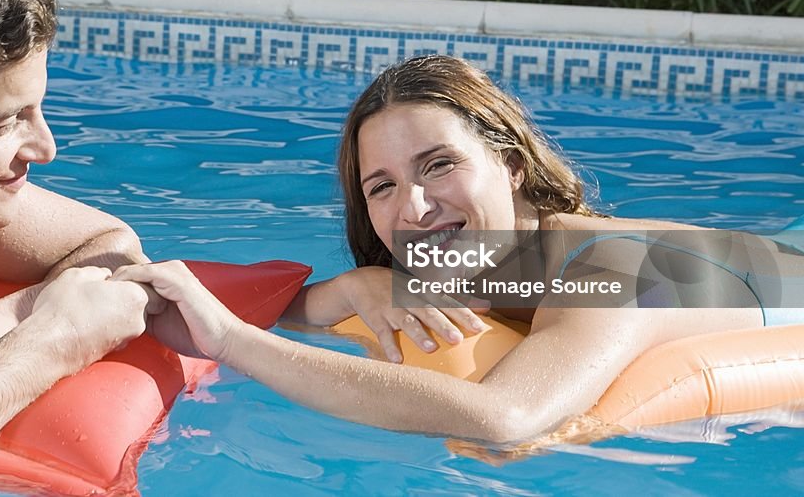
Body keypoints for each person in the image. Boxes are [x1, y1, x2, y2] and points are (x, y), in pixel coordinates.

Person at [0, 0, 473, 491]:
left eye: (38, 112)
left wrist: (23, 308)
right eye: (9, 120)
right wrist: (52, 340)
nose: (46, 147)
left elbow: (108, 243)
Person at [114, 54, 803, 443]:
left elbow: (505, 419)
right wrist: (354, 289)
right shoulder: (485, 257)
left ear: (510, 164)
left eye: (439, 164)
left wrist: (233, 342)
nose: (414, 207)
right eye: (382, 186)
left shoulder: (611, 269)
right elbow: (299, 305)